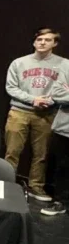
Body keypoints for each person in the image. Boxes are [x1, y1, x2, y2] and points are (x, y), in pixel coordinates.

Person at [3, 28, 65, 201]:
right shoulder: (19, 63)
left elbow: (66, 90)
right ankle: (7, 184)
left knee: (41, 154)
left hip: (47, 114)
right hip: (19, 112)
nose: (43, 42)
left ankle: (36, 187)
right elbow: (11, 87)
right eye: (39, 39)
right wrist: (33, 99)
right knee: (12, 151)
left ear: (55, 43)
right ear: (34, 42)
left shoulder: (65, 64)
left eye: (47, 40)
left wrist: (51, 100)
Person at [41, 65, 69, 216]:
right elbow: (57, 94)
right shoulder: (68, 68)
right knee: (62, 168)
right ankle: (60, 202)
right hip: (64, 129)